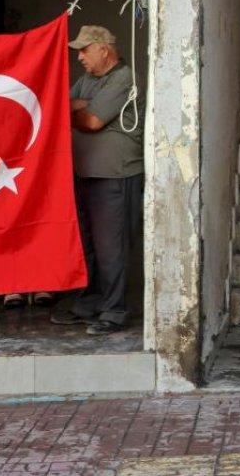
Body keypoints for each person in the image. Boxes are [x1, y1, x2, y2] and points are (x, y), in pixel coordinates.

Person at [51, 25, 143, 335]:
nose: (79, 57)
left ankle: (114, 311)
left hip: (115, 175)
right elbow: (59, 108)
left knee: (112, 248)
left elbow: (91, 121)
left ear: (104, 49)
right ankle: (90, 303)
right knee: (88, 245)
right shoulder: (87, 80)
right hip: (86, 174)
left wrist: (81, 107)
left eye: (84, 50)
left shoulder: (123, 78)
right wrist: (81, 105)